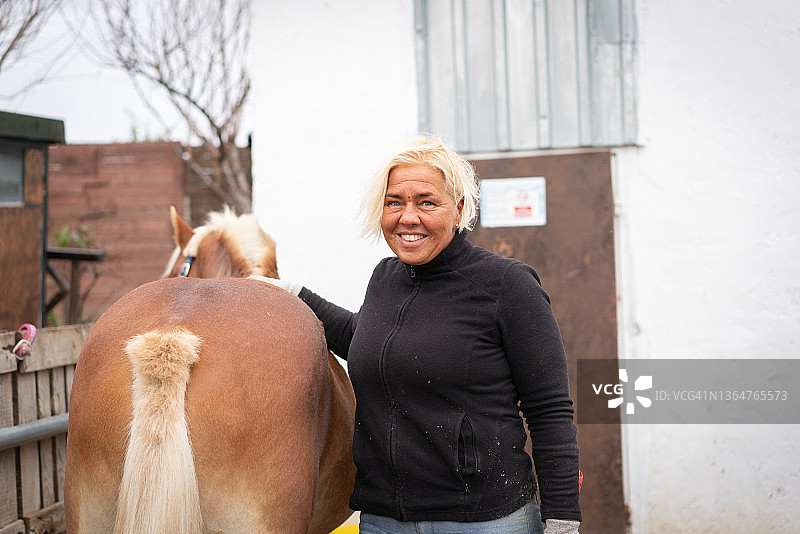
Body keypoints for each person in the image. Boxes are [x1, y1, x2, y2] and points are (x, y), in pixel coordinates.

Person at [254, 136, 581, 534]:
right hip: (384, 519)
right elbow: (367, 340)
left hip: (486, 520)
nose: (408, 217)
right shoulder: (385, 277)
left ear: (459, 208)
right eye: (395, 202)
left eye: (427, 202)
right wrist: (292, 294)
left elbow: (549, 409)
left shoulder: (507, 285)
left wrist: (562, 519)